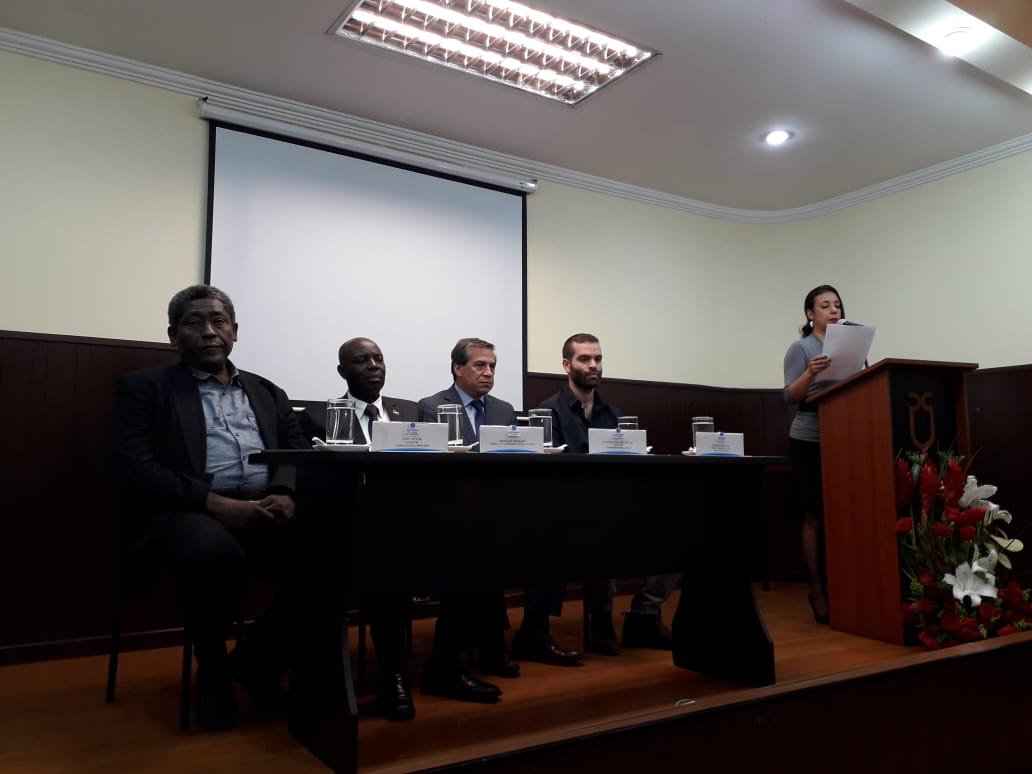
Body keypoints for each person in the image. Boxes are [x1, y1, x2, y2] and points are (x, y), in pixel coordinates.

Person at [108, 284, 308, 731]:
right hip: (187, 513)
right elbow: (132, 467)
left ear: (235, 330)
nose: (209, 332)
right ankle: (213, 673)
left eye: (219, 321)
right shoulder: (144, 389)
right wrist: (212, 502)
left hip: (265, 509)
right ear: (173, 334)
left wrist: (286, 492)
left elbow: (296, 452)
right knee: (212, 552)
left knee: (331, 549)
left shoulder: (267, 391)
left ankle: (256, 663)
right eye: (194, 323)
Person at [306, 337, 420, 721]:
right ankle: (392, 675)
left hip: (406, 523)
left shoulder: (410, 412)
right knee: (386, 563)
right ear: (343, 371)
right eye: (362, 360)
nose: (373, 366)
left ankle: (448, 664)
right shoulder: (320, 416)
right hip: (349, 527)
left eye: (379, 359)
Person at [416, 338, 518, 702]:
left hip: (493, 512)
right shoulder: (432, 406)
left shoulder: (504, 410)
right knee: (469, 552)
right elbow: (433, 468)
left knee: (495, 544)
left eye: (492, 366)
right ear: (458, 368)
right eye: (480, 365)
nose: (488, 372)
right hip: (448, 514)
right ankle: (450, 662)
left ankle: (491, 645)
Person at [513, 333, 625, 661]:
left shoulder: (613, 415)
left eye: (598, 359)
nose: (593, 365)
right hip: (559, 510)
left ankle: (609, 619)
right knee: (554, 536)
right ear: (567, 365)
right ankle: (535, 630)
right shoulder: (547, 411)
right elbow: (547, 473)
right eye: (584, 359)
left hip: (602, 509)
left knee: (623, 530)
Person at [783, 284, 844, 625]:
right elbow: (789, 396)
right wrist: (811, 372)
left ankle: (845, 585)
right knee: (814, 515)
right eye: (825, 305)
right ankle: (817, 589)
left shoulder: (850, 344)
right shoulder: (801, 347)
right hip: (809, 437)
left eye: (837, 305)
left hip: (845, 436)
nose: (834, 310)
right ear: (810, 314)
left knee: (842, 513)